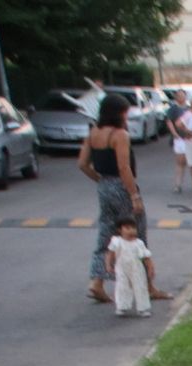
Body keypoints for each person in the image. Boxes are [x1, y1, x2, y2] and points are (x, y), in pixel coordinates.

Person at [79, 93, 170, 306]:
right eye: (125, 113)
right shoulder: (120, 135)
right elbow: (124, 167)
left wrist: (100, 180)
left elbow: (82, 163)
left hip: (104, 187)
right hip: (122, 186)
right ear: (118, 113)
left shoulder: (93, 133)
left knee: (106, 234)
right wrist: (134, 195)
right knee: (135, 235)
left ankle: (97, 282)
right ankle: (147, 286)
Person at [106, 217, 154, 317]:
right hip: (121, 268)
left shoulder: (139, 243)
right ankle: (122, 306)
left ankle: (143, 308)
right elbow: (110, 253)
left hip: (136, 268)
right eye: (127, 228)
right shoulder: (116, 241)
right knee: (122, 286)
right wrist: (108, 265)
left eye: (133, 228)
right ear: (120, 230)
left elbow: (146, 257)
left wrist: (150, 268)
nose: (131, 231)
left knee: (140, 286)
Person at [166, 90, 192, 195]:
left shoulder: (190, 108)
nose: (181, 97)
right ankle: (178, 185)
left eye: (183, 95)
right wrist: (174, 134)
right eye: (179, 95)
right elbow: (169, 122)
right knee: (180, 162)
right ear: (176, 97)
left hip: (191, 138)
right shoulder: (173, 109)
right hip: (179, 139)